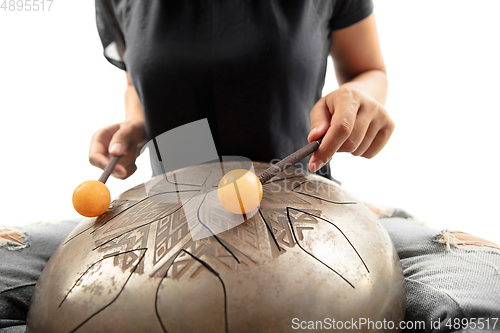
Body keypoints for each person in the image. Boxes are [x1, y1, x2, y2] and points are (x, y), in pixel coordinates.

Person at [1, 0, 498, 332]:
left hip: (310, 205)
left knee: (481, 292)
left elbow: (368, 69)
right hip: (167, 212)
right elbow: (138, 77)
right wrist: (135, 123)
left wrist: (357, 98)